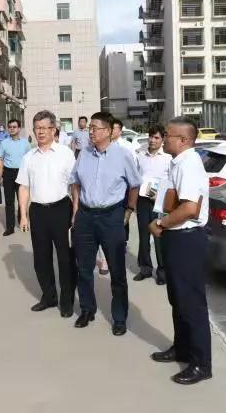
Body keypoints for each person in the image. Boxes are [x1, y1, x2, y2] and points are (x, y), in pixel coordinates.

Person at [148, 117, 212, 386]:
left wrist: (161, 223)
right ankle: (182, 348)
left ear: (184, 140)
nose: (164, 138)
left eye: (168, 135)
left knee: (191, 303)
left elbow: (189, 208)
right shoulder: (177, 162)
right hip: (176, 238)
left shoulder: (189, 164)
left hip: (187, 239)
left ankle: (201, 364)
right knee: (178, 300)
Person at [70, 112, 141, 336]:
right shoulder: (84, 154)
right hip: (85, 216)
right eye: (90, 127)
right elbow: (75, 182)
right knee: (84, 268)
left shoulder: (123, 155)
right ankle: (87, 310)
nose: (91, 132)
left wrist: (129, 210)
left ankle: (119, 318)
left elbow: (135, 184)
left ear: (109, 131)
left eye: (95, 128)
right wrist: (76, 209)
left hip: (112, 216)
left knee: (117, 271)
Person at [17, 110, 76, 318]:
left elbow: (75, 186)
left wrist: (76, 212)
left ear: (53, 130)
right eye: (37, 128)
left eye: (44, 128)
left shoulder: (66, 154)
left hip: (61, 209)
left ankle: (67, 301)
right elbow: (23, 187)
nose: (40, 132)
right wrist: (23, 215)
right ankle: (49, 296)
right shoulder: (28, 157)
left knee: (65, 258)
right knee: (41, 259)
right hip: (38, 212)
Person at [134, 125, 171, 285]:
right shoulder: (140, 154)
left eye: (156, 137)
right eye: (151, 136)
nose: (152, 140)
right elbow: (136, 177)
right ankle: (145, 269)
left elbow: (171, 180)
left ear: (162, 139)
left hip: (160, 201)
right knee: (143, 235)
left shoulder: (168, 158)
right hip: (143, 199)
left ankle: (162, 272)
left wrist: (162, 196)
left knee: (159, 236)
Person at [0, 119, 31, 236]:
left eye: (14, 127)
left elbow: (29, 159)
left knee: (23, 200)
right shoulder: (4, 143)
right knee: (9, 201)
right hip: (8, 173)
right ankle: (10, 227)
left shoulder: (25, 143)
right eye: (10, 127)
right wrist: (1, 175)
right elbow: (0, 159)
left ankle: (23, 222)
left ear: (19, 128)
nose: (12, 129)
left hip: (21, 173)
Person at [111, 119, 139, 245]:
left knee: (122, 213)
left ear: (120, 130)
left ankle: (123, 240)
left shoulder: (127, 146)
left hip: (124, 185)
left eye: (114, 128)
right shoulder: (106, 145)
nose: (112, 130)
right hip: (110, 187)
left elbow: (134, 167)